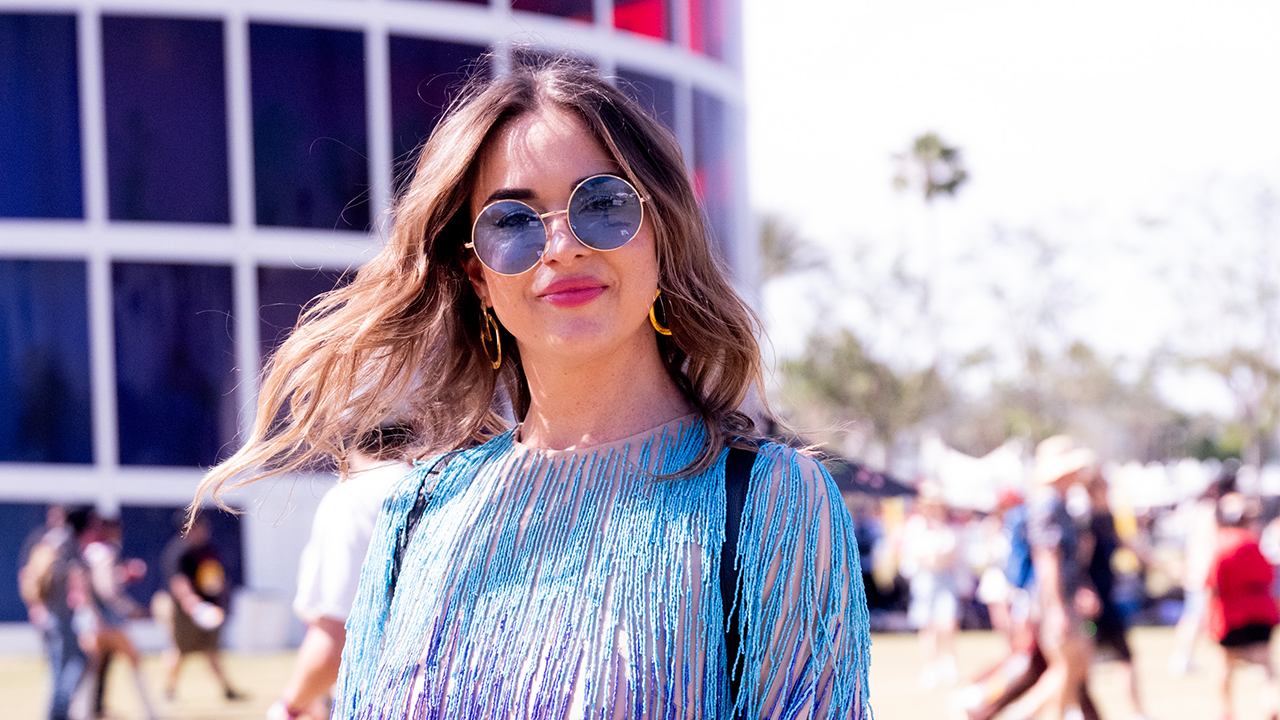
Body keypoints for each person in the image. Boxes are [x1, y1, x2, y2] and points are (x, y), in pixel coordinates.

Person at [194, 58, 873, 718]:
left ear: (660, 233)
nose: (560, 245)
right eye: (511, 222)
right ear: (478, 277)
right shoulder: (415, 516)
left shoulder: (770, 502)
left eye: (601, 204)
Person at [267, 428, 412, 720]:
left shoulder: (353, 499)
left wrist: (289, 708)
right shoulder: (449, 488)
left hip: (386, 698)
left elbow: (336, 640)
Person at [20, 506, 99, 720]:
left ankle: (56, 713)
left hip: (48, 616)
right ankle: (59, 714)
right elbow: (79, 577)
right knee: (76, 662)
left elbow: (27, 575)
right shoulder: (67, 544)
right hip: (62, 617)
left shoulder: (44, 542)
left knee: (57, 669)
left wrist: (36, 607)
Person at [155, 513, 244, 703]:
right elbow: (178, 581)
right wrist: (192, 603)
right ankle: (168, 690)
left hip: (207, 608)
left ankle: (227, 689)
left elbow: (215, 578)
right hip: (185, 611)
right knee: (180, 650)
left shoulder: (209, 549)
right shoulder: (178, 551)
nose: (204, 530)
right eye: (199, 527)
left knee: (211, 650)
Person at [1206, 492, 1279, 720]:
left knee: (1226, 664)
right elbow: (1269, 577)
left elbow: (1211, 584)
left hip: (1232, 615)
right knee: (1266, 667)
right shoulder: (1255, 543)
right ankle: (1272, 707)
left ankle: (1226, 712)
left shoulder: (1221, 544)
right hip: (1261, 612)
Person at [82, 517, 158, 720]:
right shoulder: (105, 553)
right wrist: (129, 609)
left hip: (93, 620)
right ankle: (151, 712)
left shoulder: (90, 552)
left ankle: (86, 711)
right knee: (134, 659)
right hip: (109, 620)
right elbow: (106, 588)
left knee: (96, 666)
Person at [900, 481, 961, 688]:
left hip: (946, 580)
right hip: (924, 580)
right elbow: (912, 556)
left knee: (947, 622)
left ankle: (948, 662)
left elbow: (951, 556)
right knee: (927, 625)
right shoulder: (915, 525)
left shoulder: (949, 526)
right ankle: (930, 666)